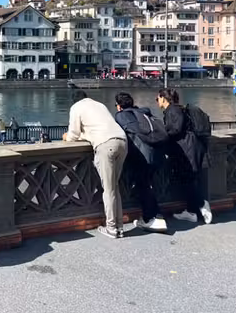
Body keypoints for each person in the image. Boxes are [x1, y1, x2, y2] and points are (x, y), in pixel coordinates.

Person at [64, 90, 128, 239]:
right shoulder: (100, 105)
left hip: (105, 145)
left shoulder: (76, 107)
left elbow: (73, 134)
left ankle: (112, 228)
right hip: (122, 141)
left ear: (75, 101)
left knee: (108, 189)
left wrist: (67, 137)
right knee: (114, 187)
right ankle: (119, 226)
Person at [114, 92, 168, 233]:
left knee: (142, 186)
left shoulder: (121, 116)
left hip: (141, 156)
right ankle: (153, 216)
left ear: (119, 106)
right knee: (148, 185)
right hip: (157, 154)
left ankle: (153, 217)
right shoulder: (143, 113)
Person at [157, 88, 212, 224]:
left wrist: (162, 135)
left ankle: (202, 203)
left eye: (157, 99)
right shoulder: (178, 109)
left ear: (163, 98)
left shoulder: (172, 110)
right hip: (189, 147)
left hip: (186, 149)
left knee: (188, 180)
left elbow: (176, 129)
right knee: (188, 180)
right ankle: (192, 212)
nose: (157, 101)